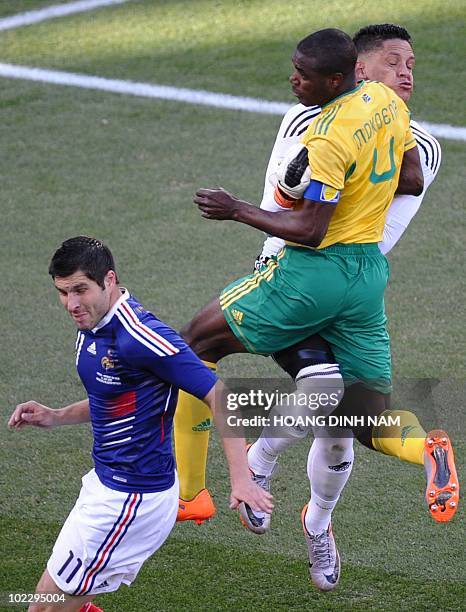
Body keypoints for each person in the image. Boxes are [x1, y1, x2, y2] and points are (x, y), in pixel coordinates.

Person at [175, 24, 457, 543]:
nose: (407, 73)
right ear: (360, 69)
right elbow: (403, 177)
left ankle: (197, 492)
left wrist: (237, 207)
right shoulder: (386, 118)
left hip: (299, 274)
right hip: (364, 283)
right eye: (395, 62)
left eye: (411, 64)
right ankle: (416, 454)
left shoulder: (324, 127)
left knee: (193, 343)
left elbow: (297, 211)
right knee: (354, 415)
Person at [8, 236, 272, 612]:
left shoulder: (140, 336)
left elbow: (221, 396)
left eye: (80, 290)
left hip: (130, 499)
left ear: (109, 280)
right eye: (63, 293)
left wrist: (242, 478)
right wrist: (56, 416)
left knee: (45, 608)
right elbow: (115, 397)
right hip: (107, 484)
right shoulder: (94, 322)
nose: (71, 304)